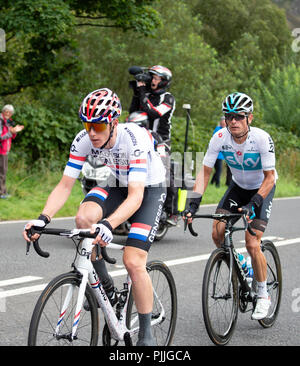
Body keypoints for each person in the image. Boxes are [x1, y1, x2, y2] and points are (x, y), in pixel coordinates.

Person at [23, 88, 166, 346]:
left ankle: (146, 335)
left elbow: (135, 196)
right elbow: (65, 185)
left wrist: (109, 224)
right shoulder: (83, 140)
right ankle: (107, 287)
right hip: (116, 183)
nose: (92, 132)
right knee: (84, 219)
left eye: (98, 126)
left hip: (148, 189)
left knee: (133, 261)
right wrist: (43, 218)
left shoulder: (134, 139)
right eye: (87, 124)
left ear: (113, 122)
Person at [184, 92, 277, 320]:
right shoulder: (219, 138)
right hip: (237, 187)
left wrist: (254, 203)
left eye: (239, 116)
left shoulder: (262, 139)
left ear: (250, 118)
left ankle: (263, 294)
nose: (233, 121)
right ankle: (243, 264)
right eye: (229, 116)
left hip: (261, 189)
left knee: (252, 241)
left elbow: (270, 177)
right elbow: (205, 172)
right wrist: (193, 204)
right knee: (217, 233)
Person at [129, 65, 178, 226]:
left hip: (161, 140)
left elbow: (153, 113)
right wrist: (138, 91)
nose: (153, 80)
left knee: (165, 170)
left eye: (157, 78)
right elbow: (132, 111)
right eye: (152, 77)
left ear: (164, 81)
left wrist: (142, 92)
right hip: (140, 138)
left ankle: (173, 211)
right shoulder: (145, 95)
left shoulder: (168, 98)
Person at [0, 104, 24, 199]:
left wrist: (15, 131)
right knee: (2, 172)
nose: (8, 114)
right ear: (3, 111)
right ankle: (2, 193)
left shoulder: (7, 122)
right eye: (6, 111)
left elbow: (10, 136)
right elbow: (1, 137)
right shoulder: (1, 121)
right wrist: (11, 132)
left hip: (5, 150)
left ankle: (3, 192)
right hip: (1, 150)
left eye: (10, 113)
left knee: (3, 171)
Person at [210, 116, 226, 187]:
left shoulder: (227, 129)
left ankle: (212, 182)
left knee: (217, 169)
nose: (223, 124)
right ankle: (217, 184)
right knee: (218, 170)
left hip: (221, 154)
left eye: (224, 122)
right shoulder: (218, 129)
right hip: (216, 153)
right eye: (222, 122)